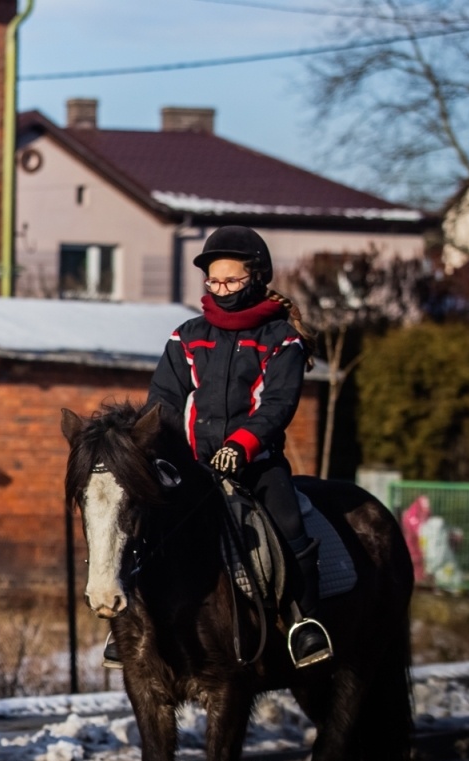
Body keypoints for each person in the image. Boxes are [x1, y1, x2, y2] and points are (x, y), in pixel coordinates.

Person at [107, 225, 332, 670]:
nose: (221, 289)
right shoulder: (185, 336)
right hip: (193, 466)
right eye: (214, 282)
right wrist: (163, 452)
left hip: (255, 463)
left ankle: (305, 622)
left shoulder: (280, 339)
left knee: (290, 524)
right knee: (142, 524)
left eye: (231, 281)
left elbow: (278, 404)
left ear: (257, 278)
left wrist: (241, 446)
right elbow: (164, 401)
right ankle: (131, 624)